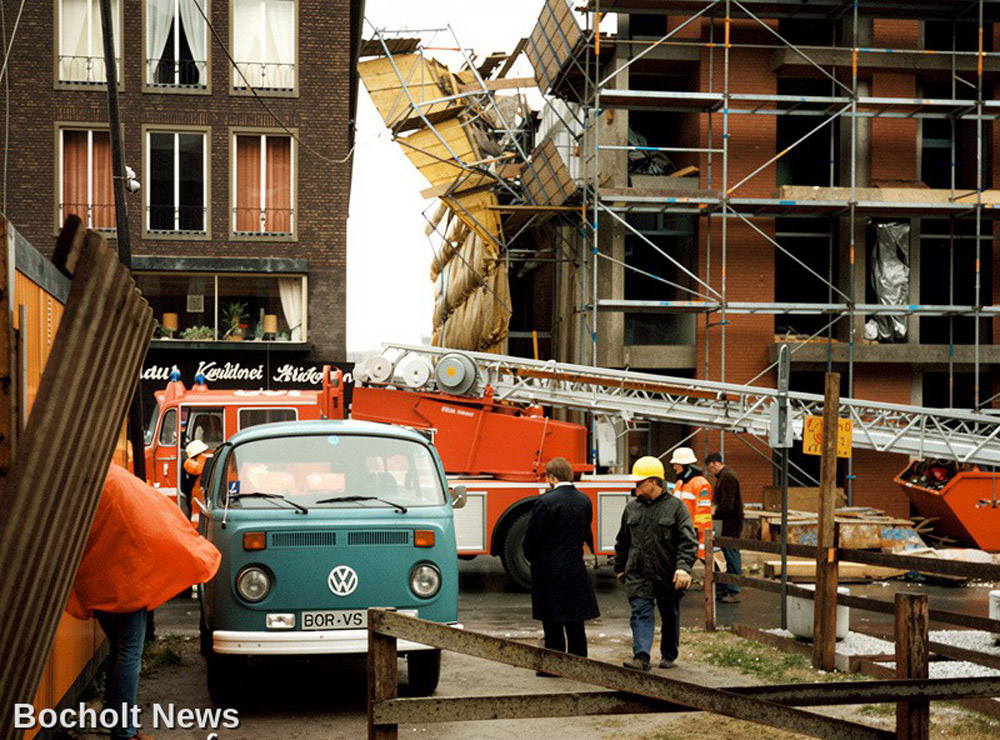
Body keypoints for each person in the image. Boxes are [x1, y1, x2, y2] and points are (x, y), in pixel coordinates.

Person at [67, 464, 222, 740]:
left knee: (120, 649)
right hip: (127, 585)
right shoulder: (116, 480)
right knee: (128, 653)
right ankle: (123, 730)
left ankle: (116, 720)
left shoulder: (91, 484)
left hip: (102, 583)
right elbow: (157, 523)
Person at [615, 456, 697, 671]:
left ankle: (669, 654)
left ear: (654, 482)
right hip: (639, 574)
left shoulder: (676, 508)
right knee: (640, 613)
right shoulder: (632, 508)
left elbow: (688, 542)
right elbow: (623, 540)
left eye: (640, 482)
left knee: (669, 615)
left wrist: (683, 568)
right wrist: (620, 567)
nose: (636, 487)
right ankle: (641, 657)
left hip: (667, 574)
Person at [523, 457, 600, 667]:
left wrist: (535, 559)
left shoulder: (545, 502)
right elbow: (586, 533)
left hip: (548, 569)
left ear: (551, 476)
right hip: (575, 566)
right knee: (575, 620)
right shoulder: (584, 500)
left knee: (552, 620)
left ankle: (554, 666)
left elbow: (531, 539)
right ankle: (578, 664)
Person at [706, 451, 744, 603]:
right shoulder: (727, 475)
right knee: (730, 554)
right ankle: (729, 587)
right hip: (731, 522)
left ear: (715, 463)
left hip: (730, 524)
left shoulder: (726, 478)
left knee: (732, 555)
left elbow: (727, 505)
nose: (710, 472)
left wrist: (714, 512)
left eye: (710, 468)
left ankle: (734, 590)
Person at [669, 447, 713, 560]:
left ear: (683, 464)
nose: (674, 467)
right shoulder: (680, 483)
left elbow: (704, 514)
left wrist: (695, 533)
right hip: (681, 532)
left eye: (676, 464)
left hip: (693, 535)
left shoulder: (701, 484)